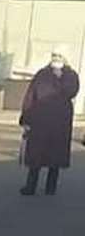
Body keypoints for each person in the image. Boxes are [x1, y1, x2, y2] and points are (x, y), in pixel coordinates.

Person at [19, 51, 80, 196]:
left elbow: (72, 91)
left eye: (59, 56)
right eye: (54, 56)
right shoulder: (42, 74)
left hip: (60, 122)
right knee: (36, 155)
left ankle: (50, 188)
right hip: (40, 121)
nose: (56, 59)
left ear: (65, 59)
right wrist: (26, 118)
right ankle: (30, 186)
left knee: (55, 157)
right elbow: (30, 96)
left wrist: (61, 78)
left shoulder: (70, 75)